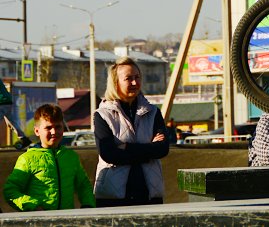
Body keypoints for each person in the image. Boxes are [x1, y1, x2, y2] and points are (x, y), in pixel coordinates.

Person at [93, 57, 169, 207]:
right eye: (128, 78)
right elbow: (109, 154)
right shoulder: (102, 115)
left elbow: (162, 149)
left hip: (149, 194)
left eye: (137, 77)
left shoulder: (153, 112)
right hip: (113, 197)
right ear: (115, 83)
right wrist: (148, 150)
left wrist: (126, 147)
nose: (135, 83)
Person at [3, 104, 95, 211]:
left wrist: (88, 205)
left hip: (67, 220)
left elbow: (83, 185)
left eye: (58, 127)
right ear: (37, 131)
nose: (54, 132)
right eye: (48, 128)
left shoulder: (71, 157)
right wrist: (33, 206)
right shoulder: (27, 159)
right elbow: (10, 190)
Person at [0, 80, 32, 149]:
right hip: (7, 100)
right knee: (11, 122)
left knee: (11, 121)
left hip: (1, 101)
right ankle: (24, 138)